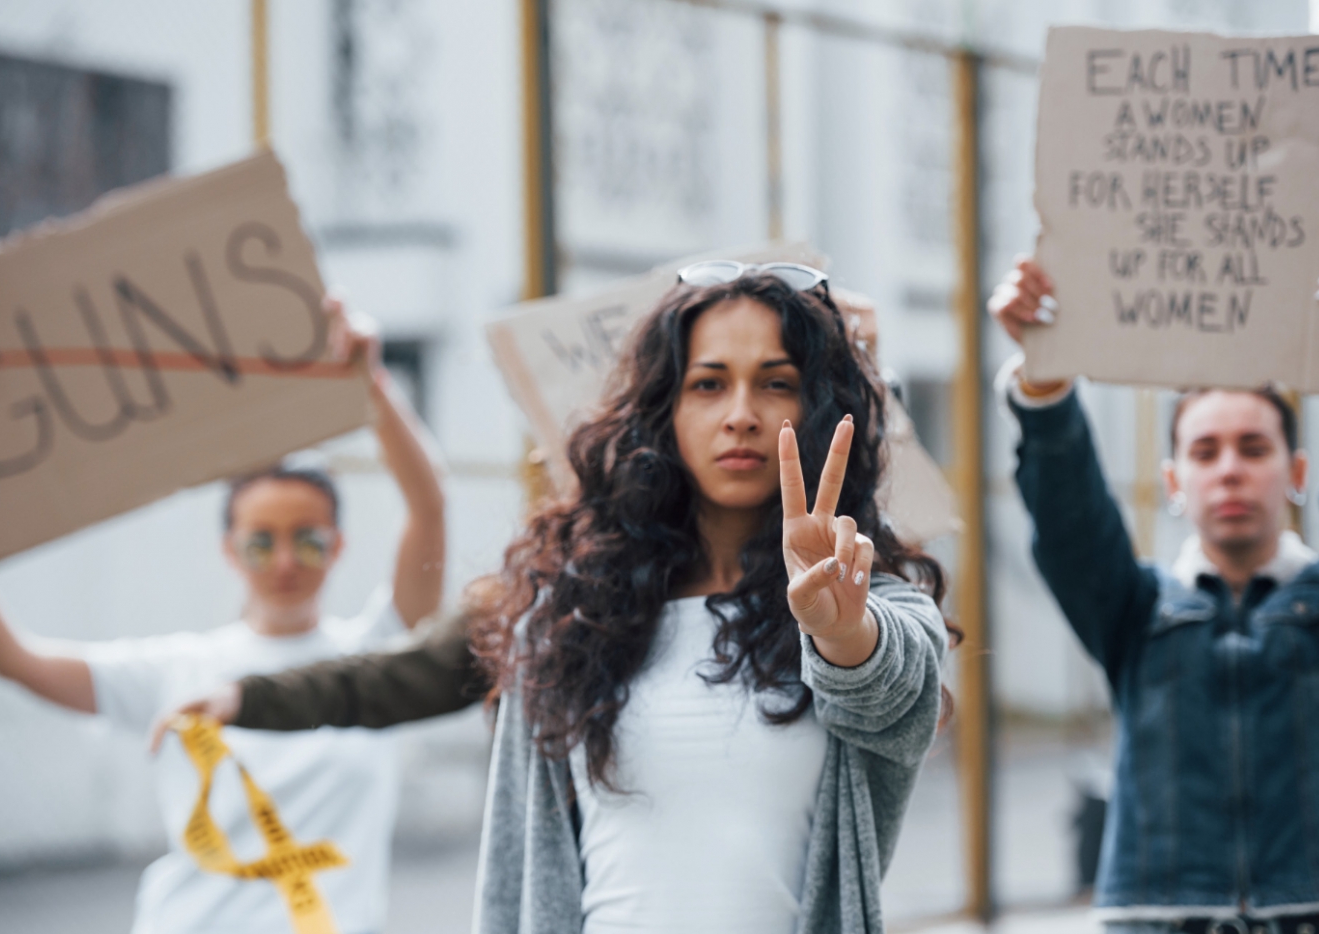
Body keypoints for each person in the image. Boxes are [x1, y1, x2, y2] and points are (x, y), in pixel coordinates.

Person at [166, 263, 954, 934]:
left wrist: (839, 632)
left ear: (818, 411)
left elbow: (889, 688)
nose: (741, 413)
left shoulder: (868, 603)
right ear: (663, 413)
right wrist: (247, 697)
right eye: (708, 383)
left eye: (775, 383)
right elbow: (393, 677)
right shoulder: (568, 611)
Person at [0, 297, 446, 934]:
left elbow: (428, 508)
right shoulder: (179, 668)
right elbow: (16, 661)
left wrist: (372, 384)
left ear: (338, 545)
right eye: (261, 541)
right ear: (229, 550)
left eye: (307, 538)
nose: (285, 560)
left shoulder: (380, 658)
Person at [987, 237, 1319, 933]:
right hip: (1159, 916)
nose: (1229, 469)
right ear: (1174, 482)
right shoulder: (1133, 610)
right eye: (1205, 451)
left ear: (1295, 474)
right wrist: (1044, 385)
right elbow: (1070, 520)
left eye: (1253, 448)